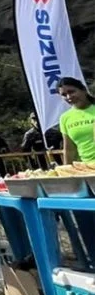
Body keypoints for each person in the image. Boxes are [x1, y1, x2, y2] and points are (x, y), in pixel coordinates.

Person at [57, 77, 95, 255]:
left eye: (71, 91)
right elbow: (69, 149)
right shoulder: (65, 118)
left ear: (83, 89)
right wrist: (66, 175)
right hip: (84, 174)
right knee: (86, 219)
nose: (68, 97)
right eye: (64, 95)